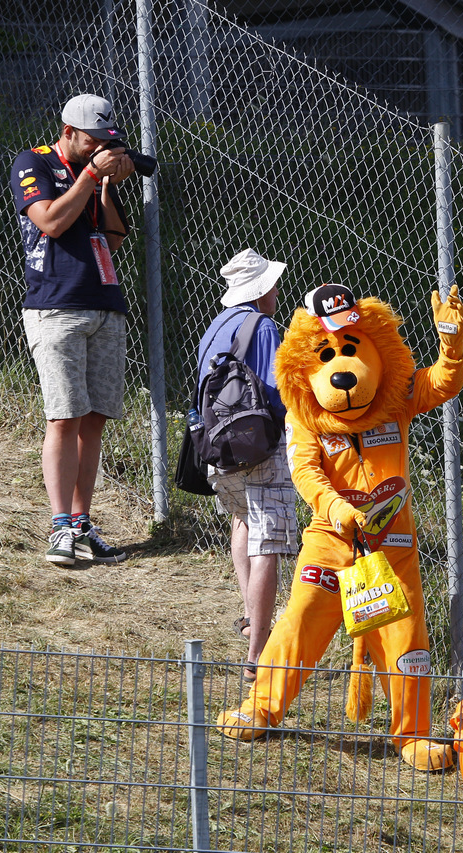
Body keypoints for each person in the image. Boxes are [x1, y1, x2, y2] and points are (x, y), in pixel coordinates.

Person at [9, 94, 139, 567]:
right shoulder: (34, 162)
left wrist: (106, 186)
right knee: (64, 416)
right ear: (67, 131)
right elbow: (50, 221)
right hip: (56, 306)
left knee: (94, 419)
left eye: (105, 142)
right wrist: (89, 176)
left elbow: (114, 239)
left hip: (105, 303)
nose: (98, 148)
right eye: (91, 141)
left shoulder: (94, 174)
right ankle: (60, 526)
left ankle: (83, 525)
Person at [195, 249, 299, 682]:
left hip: (217, 449)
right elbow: (280, 391)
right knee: (269, 543)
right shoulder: (265, 326)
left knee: (243, 524)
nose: (276, 291)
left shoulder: (213, 328)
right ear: (261, 291)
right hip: (259, 447)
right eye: (272, 284)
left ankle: (250, 618)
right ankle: (259, 656)